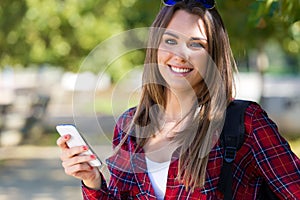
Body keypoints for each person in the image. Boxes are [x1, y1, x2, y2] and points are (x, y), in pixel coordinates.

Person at [56, 0, 300, 199]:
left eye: (196, 44)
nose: (180, 55)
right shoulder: (129, 126)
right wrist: (92, 181)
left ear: (213, 56)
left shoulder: (244, 123)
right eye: (170, 41)